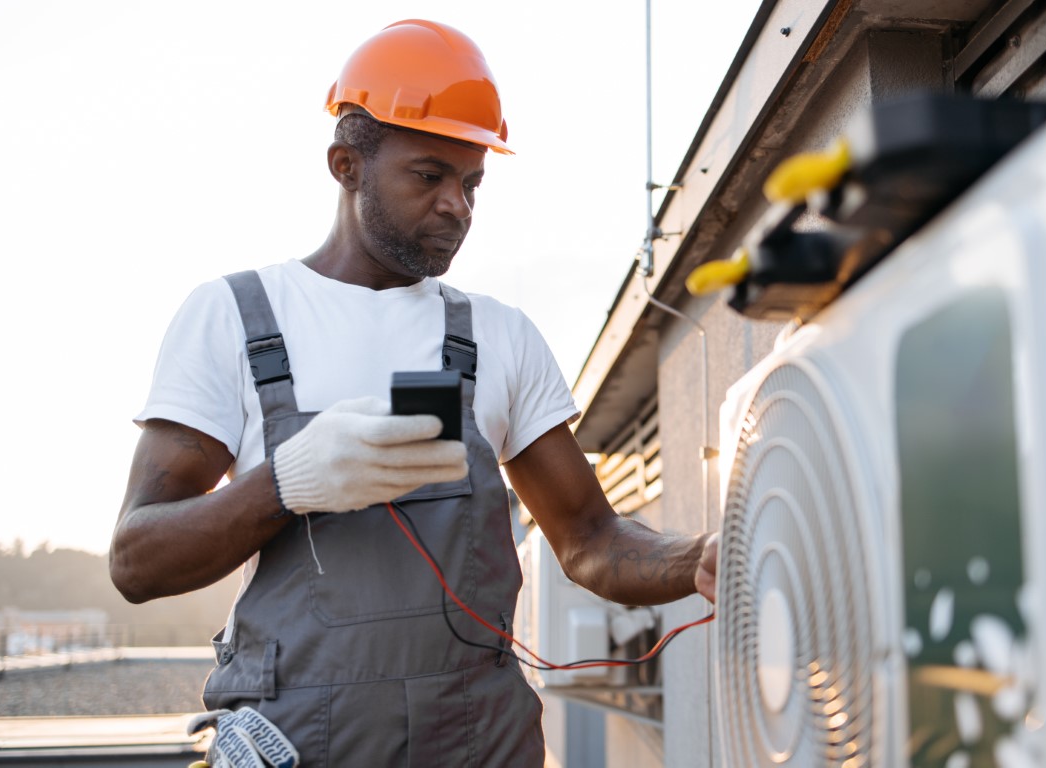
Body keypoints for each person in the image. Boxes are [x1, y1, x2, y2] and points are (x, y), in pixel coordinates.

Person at [110, 18, 718, 768]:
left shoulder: (500, 338)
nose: (457, 206)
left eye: (471, 184)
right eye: (428, 176)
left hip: (480, 739)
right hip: (300, 738)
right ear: (346, 166)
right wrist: (288, 483)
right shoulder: (233, 318)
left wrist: (696, 556)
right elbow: (138, 562)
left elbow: (591, 542)